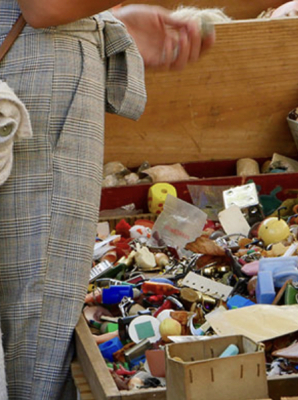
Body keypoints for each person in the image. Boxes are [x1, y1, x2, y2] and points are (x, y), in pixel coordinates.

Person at [0, 2, 213, 398]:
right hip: (35, 74)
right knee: (36, 352)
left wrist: (104, 20)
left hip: (32, 63)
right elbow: (43, 5)